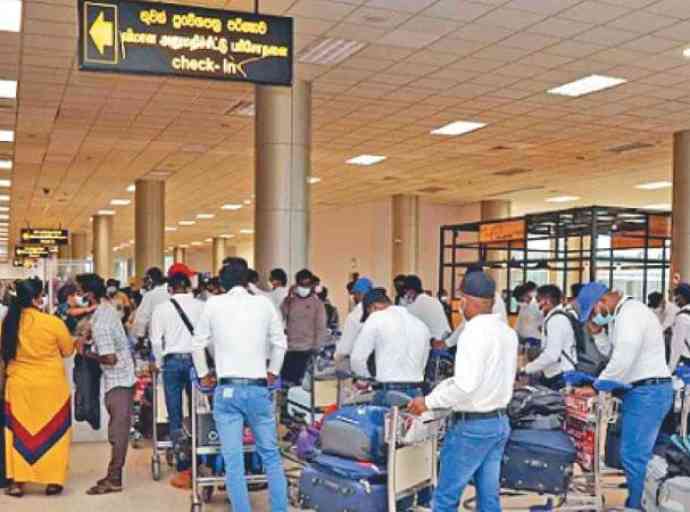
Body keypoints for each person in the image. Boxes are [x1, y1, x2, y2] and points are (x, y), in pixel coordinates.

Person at [407, 271, 517, 512]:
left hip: (472, 428)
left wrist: (428, 402)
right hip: (498, 423)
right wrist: (438, 391)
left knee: (445, 498)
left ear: (466, 301)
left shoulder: (474, 332)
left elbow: (466, 386)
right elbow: (477, 379)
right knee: (489, 499)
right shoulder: (507, 332)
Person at [190, 257, 288, 512]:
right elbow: (280, 343)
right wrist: (272, 372)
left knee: (233, 460)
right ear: (247, 281)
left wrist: (203, 375)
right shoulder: (264, 304)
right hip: (257, 389)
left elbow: (197, 344)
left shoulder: (213, 304)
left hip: (227, 389)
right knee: (271, 456)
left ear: (222, 284)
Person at [577, 282, 672, 511]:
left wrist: (599, 387)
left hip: (648, 392)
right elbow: (613, 355)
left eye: (593, 313)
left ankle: (636, 505)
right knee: (641, 454)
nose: (594, 318)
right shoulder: (623, 315)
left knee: (633, 454)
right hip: (644, 391)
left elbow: (622, 359)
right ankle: (649, 499)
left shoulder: (630, 315)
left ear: (602, 302)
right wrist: (598, 334)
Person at [2, 279, 74, 498]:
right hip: (51, 386)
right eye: (41, 296)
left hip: (19, 386)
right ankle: (53, 481)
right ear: (35, 299)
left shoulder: (9, 323)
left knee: (17, 434)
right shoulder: (52, 323)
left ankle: (17, 482)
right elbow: (68, 350)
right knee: (55, 433)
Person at [76, 273, 136, 495]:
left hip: (118, 380)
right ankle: (113, 473)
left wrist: (87, 353)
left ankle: (115, 478)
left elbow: (110, 358)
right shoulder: (106, 309)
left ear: (89, 294)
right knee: (117, 428)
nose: (78, 295)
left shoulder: (101, 321)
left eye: (80, 291)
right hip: (123, 377)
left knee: (117, 432)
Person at [150, 271, 204, 488]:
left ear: (170, 289)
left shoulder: (161, 309)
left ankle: (182, 464)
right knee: (196, 411)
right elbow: (206, 337)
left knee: (174, 412)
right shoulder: (201, 306)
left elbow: (156, 341)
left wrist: (160, 363)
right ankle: (198, 457)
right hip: (196, 362)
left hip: (172, 363)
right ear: (189, 287)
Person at [351, 288, 430, 405]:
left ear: (374, 307)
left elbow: (357, 359)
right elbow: (423, 363)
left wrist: (364, 379)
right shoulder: (421, 325)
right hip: (416, 395)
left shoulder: (376, 318)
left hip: (388, 393)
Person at [521, 285, 576, 390]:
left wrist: (526, 369)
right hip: (557, 372)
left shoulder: (556, 320)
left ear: (546, 301)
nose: (537, 305)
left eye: (538, 300)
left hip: (560, 375)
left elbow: (551, 355)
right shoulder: (556, 317)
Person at [280, 269, 327, 385]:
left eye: (307, 284)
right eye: (301, 284)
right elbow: (281, 316)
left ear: (311, 285)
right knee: (286, 384)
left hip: (308, 350)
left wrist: (316, 348)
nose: (304, 288)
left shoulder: (317, 304)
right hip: (290, 349)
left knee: (301, 385)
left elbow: (321, 327)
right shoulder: (290, 301)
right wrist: (288, 298)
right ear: (296, 284)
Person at [403, 275, 451, 349]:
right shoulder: (434, 300)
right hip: (446, 340)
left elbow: (404, 323)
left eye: (406, 292)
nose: (405, 295)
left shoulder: (416, 305)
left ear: (411, 291)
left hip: (434, 344)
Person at [334, 277, 373, 368]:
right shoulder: (383, 310)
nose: (354, 297)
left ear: (359, 294)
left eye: (354, 294)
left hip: (363, 363)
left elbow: (345, 348)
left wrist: (336, 357)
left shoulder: (355, 315)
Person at [131, 267, 170, 341]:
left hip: (157, 339)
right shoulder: (171, 291)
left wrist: (140, 339)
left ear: (150, 279)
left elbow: (142, 319)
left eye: (146, 280)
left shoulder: (150, 295)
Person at [668, 283, 690, 372]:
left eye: (676, 296)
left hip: (686, 361)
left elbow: (677, 346)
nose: (674, 299)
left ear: (681, 297)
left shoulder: (682, 317)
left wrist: (670, 369)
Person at [513, 282, 542, 348]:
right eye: (518, 300)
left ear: (526, 294)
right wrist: (515, 334)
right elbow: (519, 322)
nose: (520, 302)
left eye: (521, 299)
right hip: (523, 339)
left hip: (535, 340)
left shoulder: (537, 305)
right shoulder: (523, 307)